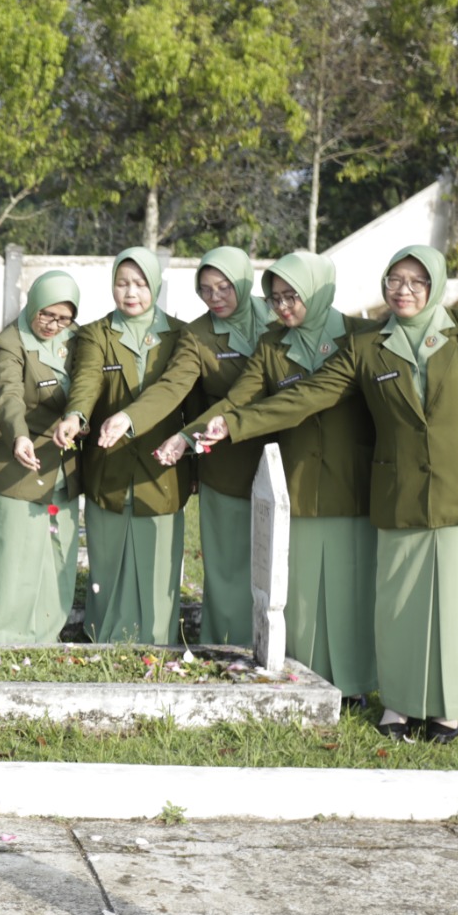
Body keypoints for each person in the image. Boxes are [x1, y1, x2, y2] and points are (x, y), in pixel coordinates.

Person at [190, 246, 458, 742]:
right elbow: (307, 395)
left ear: (434, 284)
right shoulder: (369, 346)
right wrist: (233, 423)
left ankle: (447, 709)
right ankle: (398, 703)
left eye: (415, 281)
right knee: (399, 606)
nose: (403, 290)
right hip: (399, 493)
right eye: (394, 280)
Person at [160, 251, 379, 708]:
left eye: (292, 297)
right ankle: (307, 671)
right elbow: (239, 399)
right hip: (297, 479)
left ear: (318, 291)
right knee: (298, 589)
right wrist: (196, 432)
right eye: (275, 298)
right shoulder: (273, 345)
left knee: (350, 583)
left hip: (351, 478)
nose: (282, 307)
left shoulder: (362, 336)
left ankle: (356, 679)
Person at [92, 247, 275, 646]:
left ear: (244, 282)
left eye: (225, 287)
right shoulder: (197, 335)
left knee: (281, 561)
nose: (216, 298)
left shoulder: (278, 317)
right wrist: (131, 418)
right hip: (223, 455)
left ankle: (282, 647)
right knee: (227, 564)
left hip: (283, 453)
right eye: (205, 290)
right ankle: (228, 645)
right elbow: (173, 386)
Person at [52, 247, 190, 644]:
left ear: (155, 285)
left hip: (162, 466)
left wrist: (193, 459)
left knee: (159, 562)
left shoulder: (180, 335)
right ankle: (104, 636)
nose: (130, 293)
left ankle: (158, 640)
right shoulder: (96, 334)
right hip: (108, 462)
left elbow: (187, 401)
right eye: (122, 283)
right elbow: (86, 382)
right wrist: (76, 416)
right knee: (107, 560)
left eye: (140, 284)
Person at [0, 271, 82, 643]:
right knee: (12, 553)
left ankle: (45, 635)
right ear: (32, 305)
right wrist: (19, 435)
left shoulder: (78, 339)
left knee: (56, 554)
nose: (54, 325)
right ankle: (6, 636)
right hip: (16, 460)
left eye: (63, 318)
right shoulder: (9, 343)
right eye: (46, 315)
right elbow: (6, 395)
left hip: (62, 465)